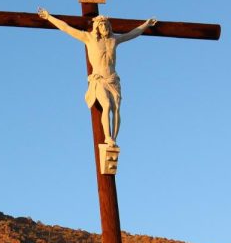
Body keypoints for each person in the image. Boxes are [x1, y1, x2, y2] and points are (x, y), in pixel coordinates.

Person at [37, 8, 156, 147]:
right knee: (106, 105)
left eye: (106, 25)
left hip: (112, 78)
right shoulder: (88, 38)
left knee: (116, 108)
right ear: (97, 27)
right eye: (101, 25)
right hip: (99, 79)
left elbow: (132, 34)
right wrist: (49, 17)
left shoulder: (114, 39)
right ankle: (107, 137)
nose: (104, 27)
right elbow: (66, 28)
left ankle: (114, 138)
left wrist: (146, 25)